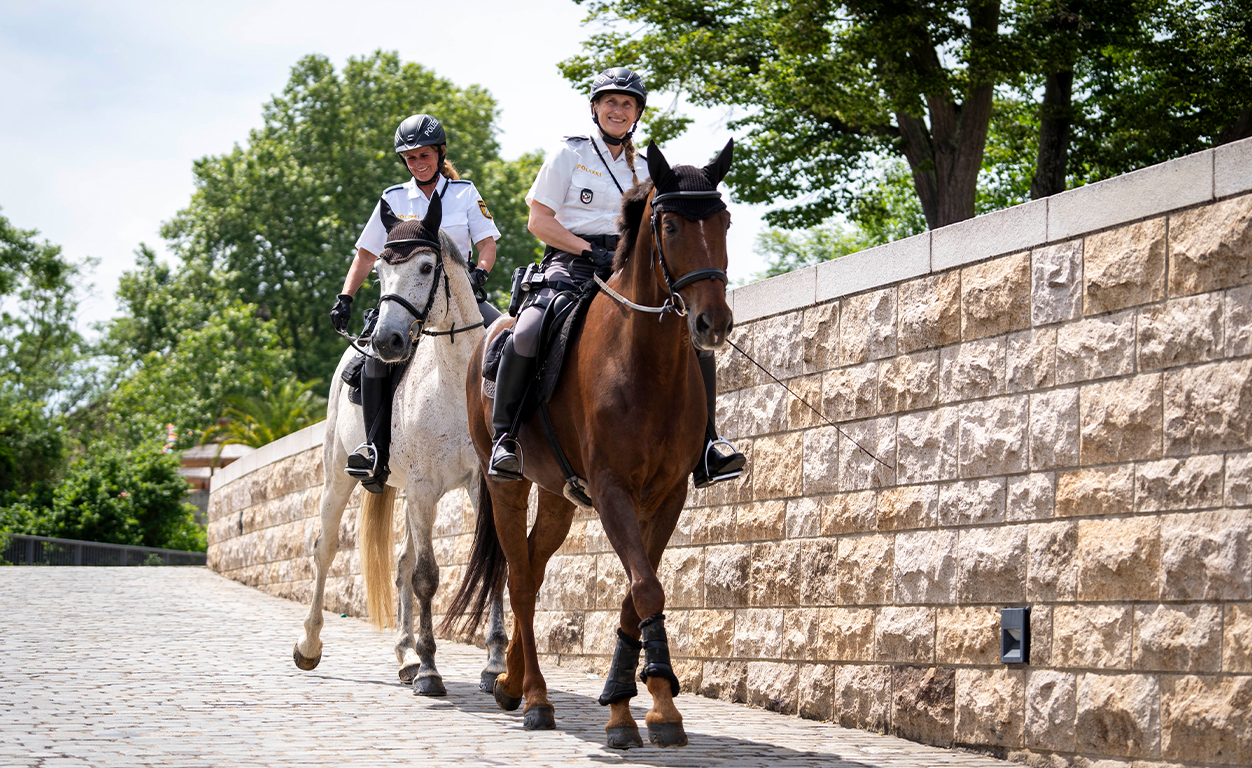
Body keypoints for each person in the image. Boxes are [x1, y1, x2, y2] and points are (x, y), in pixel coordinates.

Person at [488, 67, 745, 488]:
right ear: (595, 108)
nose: (618, 110)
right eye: (610, 101)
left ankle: (707, 445)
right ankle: (507, 439)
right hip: (570, 263)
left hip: (626, 268)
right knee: (529, 330)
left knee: (689, 337)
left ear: (637, 114)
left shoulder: (646, 168)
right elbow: (539, 221)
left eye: (627, 104)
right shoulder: (569, 153)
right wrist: (591, 250)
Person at [329, 113, 502, 492]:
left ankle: (509, 441)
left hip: (459, 298)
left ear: (439, 154)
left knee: (508, 342)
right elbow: (365, 254)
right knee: (372, 360)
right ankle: (374, 449)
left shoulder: (465, 193)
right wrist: (346, 297)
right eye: (410, 158)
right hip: (404, 303)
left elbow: (487, 243)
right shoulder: (392, 199)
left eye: (424, 155)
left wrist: (480, 274)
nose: (418, 164)